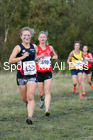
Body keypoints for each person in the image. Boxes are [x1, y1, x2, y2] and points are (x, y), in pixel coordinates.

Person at [9, 27, 38, 125]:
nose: (27, 37)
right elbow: (11, 60)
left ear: (30, 36)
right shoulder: (18, 47)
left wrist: (37, 59)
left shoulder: (34, 46)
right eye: (24, 35)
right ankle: (28, 104)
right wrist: (22, 57)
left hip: (32, 75)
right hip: (21, 76)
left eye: (28, 35)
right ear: (21, 37)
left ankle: (30, 118)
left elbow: (35, 57)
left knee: (30, 97)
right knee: (25, 99)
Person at [36, 31, 57, 116]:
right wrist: (39, 56)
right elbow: (32, 58)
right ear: (38, 39)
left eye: (44, 37)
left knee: (47, 91)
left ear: (46, 38)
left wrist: (55, 57)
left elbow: (55, 55)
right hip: (39, 73)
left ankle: (47, 109)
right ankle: (41, 99)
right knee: (41, 93)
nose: (42, 39)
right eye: (41, 37)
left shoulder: (50, 47)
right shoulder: (36, 48)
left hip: (48, 72)